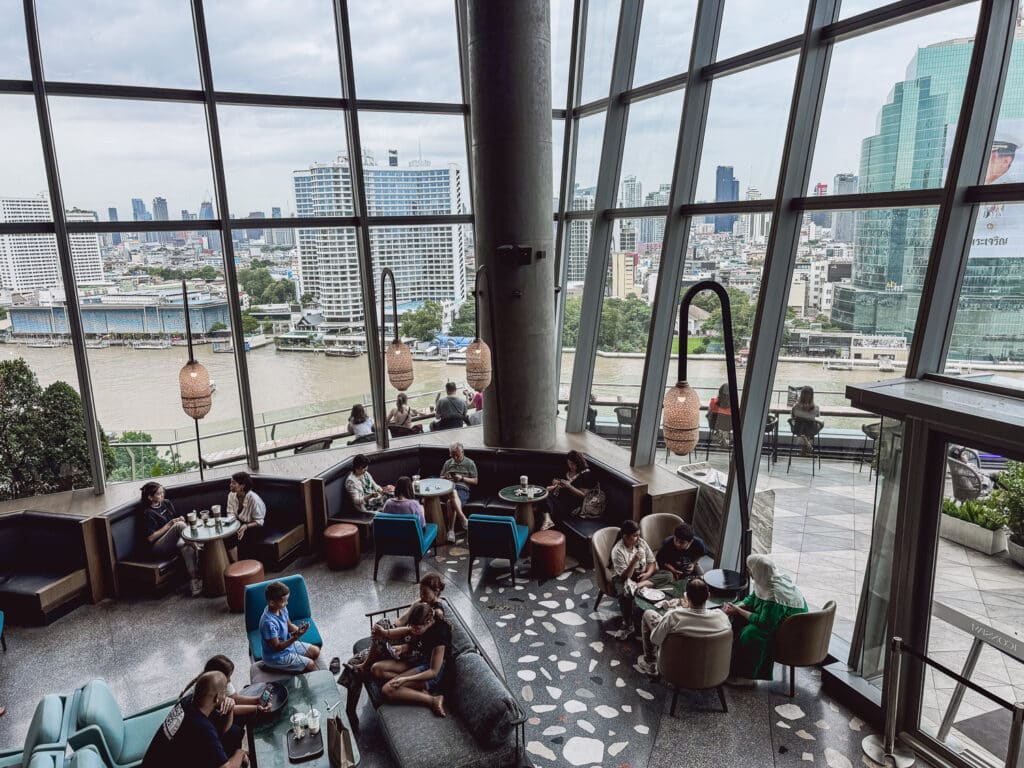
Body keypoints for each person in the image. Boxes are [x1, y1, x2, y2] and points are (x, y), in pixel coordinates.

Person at [723, 554, 807, 684]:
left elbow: (764, 623)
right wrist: (736, 607)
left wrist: (739, 610)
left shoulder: (774, 594)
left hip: (790, 629)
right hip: (774, 618)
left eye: (749, 569)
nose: (748, 571)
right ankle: (733, 663)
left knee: (751, 634)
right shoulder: (766, 579)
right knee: (738, 619)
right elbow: (753, 597)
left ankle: (747, 678)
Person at [348, 574, 447, 682]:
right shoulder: (421, 604)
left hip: (412, 648)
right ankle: (363, 666)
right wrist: (393, 629)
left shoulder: (435, 615)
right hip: (406, 641)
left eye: (425, 593)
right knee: (352, 662)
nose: (421, 596)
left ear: (436, 591)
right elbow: (401, 621)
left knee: (382, 628)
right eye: (420, 592)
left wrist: (387, 633)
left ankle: (365, 666)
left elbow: (414, 632)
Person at [140, 671, 249, 768]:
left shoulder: (187, 702)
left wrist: (229, 709)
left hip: (154, 761)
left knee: (233, 733)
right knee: (236, 753)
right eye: (225, 692)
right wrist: (240, 752)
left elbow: (220, 733)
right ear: (216, 698)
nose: (226, 697)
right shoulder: (202, 727)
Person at [633, 578, 730, 676]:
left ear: (686, 597)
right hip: (710, 671)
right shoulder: (721, 617)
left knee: (648, 613)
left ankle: (650, 663)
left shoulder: (673, 616)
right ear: (708, 596)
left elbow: (655, 640)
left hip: (676, 667)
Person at [371, 601, 451, 718]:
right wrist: (386, 634)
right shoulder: (424, 618)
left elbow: (433, 672)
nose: (414, 631)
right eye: (413, 627)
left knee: (387, 690)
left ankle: (433, 699)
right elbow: (409, 630)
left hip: (432, 670)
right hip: (420, 659)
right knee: (376, 669)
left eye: (417, 628)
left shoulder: (440, 634)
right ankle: (416, 687)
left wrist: (406, 679)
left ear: (428, 622)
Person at [178, 656, 270, 754]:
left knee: (237, 723)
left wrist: (257, 704)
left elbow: (230, 705)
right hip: (196, 736)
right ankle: (232, 752)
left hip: (201, 721)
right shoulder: (204, 710)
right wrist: (240, 754)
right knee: (235, 731)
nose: (230, 681)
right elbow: (224, 725)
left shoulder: (208, 685)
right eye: (229, 677)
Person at [608, 520, 674, 639]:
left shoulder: (641, 543)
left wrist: (648, 574)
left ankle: (639, 586)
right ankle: (628, 624)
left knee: (668, 575)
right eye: (635, 536)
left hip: (641, 576)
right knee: (624, 594)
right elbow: (625, 576)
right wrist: (633, 561)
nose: (638, 538)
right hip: (623, 577)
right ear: (625, 537)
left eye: (639, 535)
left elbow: (652, 562)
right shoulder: (618, 551)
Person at [139, 481, 201, 596]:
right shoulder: (148, 513)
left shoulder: (166, 503)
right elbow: (150, 538)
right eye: (158, 494)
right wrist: (170, 524)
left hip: (174, 541)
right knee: (179, 526)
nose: (162, 495)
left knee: (186, 547)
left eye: (163, 492)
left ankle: (194, 581)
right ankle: (197, 545)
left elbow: (174, 520)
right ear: (150, 497)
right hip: (158, 547)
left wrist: (179, 518)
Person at [259, 581, 320, 673]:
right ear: (272, 603)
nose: (287, 603)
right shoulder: (268, 623)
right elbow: (277, 648)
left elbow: (289, 626)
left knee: (315, 651)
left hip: (287, 646)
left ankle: (290, 665)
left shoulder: (281, 608)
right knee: (310, 665)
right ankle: (272, 667)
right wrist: (295, 637)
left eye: (287, 600)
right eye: (284, 601)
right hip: (276, 657)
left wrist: (299, 629)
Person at [540, 450, 596, 531]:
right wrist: (555, 484)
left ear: (579, 463)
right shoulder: (567, 470)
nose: (571, 466)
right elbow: (557, 479)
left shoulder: (586, 475)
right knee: (542, 492)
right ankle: (547, 520)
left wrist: (569, 486)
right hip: (558, 499)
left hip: (570, 506)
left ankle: (547, 521)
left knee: (543, 497)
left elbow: (583, 495)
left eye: (573, 464)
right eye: (569, 463)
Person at [440, 442, 477, 543]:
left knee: (449, 502)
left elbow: (475, 481)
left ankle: (450, 531)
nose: (455, 457)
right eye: (452, 455)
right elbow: (440, 477)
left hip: (462, 489)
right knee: (451, 491)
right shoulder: (448, 463)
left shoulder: (470, 463)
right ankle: (463, 518)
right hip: (447, 487)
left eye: (457, 455)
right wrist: (445, 477)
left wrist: (462, 478)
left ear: (462, 452)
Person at [224, 472, 265, 564]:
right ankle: (235, 564)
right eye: (231, 482)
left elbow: (259, 521)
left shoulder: (253, 499)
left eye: (233, 483)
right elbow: (230, 513)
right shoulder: (231, 495)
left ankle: (239, 565)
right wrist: (235, 527)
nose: (230, 485)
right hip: (239, 523)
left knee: (235, 538)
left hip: (254, 526)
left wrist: (245, 527)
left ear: (242, 486)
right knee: (228, 536)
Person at [790, 386, 821, 456]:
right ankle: (807, 446)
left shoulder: (796, 406)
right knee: (807, 423)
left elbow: (792, 416)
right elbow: (817, 415)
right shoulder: (815, 407)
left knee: (803, 424)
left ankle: (804, 449)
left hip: (798, 429)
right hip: (810, 429)